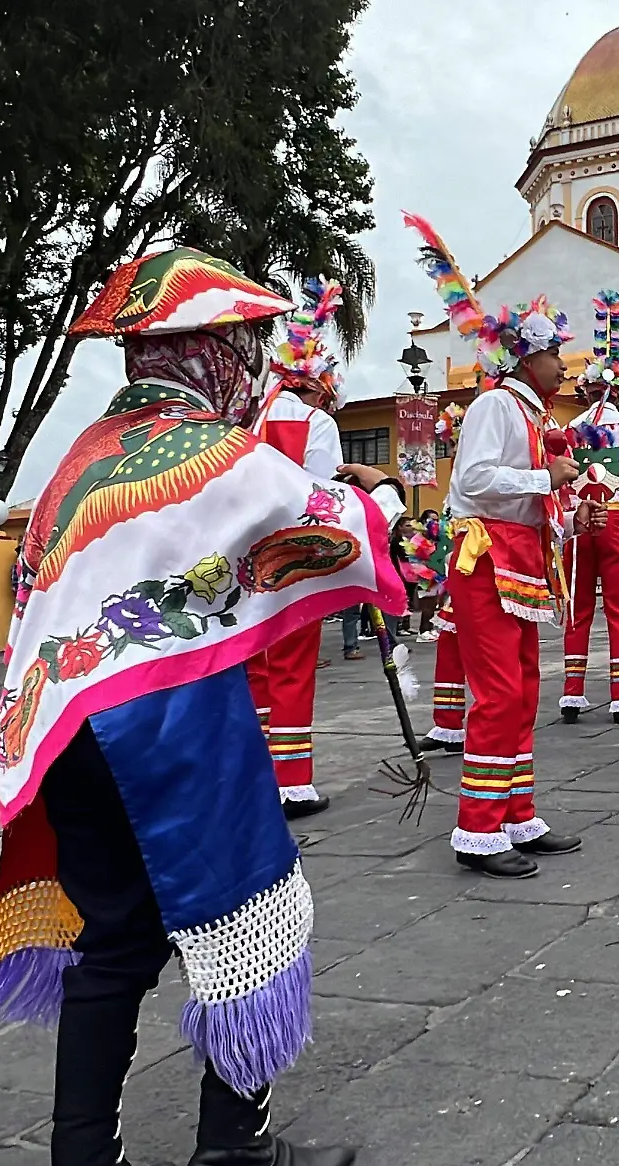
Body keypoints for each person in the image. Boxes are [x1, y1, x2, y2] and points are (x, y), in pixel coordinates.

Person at [0, 246, 406, 1166]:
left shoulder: (82, 459)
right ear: (211, 351)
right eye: (246, 343)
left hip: (61, 721)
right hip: (166, 718)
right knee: (248, 915)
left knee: (114, 940)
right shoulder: (207, 451)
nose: (255, 362)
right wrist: (380, 493)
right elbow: (335, 530)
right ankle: (236, 1154)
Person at [409, 212, 587, 878]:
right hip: (485, 558)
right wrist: (547, 476)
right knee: (499, 692)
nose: (562, 366)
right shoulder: (493, 407)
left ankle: (516, 812)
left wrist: (558, 506)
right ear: (526, 358)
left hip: (517, 559)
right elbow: (476, 480)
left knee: (523, 690)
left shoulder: (532, 414)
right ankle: (478, 830)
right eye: (553, 355)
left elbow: (519, 493)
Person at [246, 280, 386, 819]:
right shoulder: (316, 423)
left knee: (254, 666)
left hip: (242, 561)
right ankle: (292, 782)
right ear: (321, 387)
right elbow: (318, 496)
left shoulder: (242, 420)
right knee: (291, 666)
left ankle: (255, 772)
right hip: (294, 558)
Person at [560, 291, 619, 725]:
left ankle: (573, 692)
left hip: (577, 523)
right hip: (613, 518)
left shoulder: (569, 428)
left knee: (578, 607)